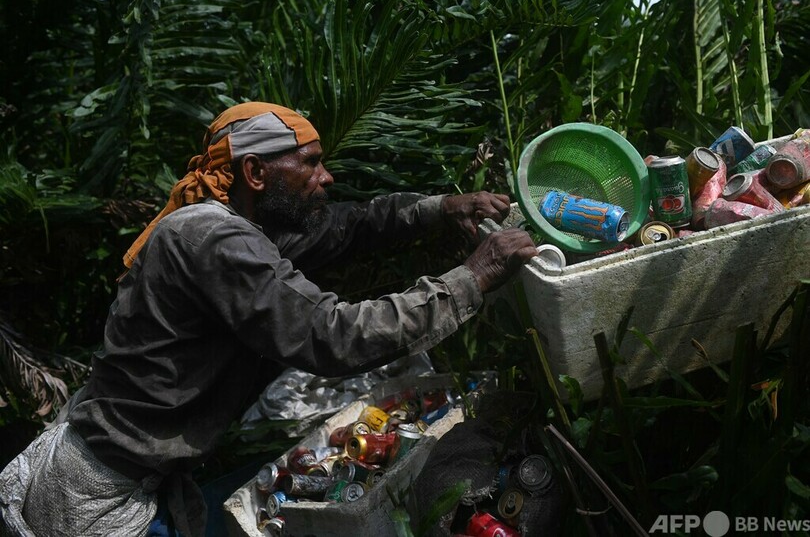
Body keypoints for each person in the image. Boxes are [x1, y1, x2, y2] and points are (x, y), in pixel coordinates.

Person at [0, 102, 537, 536]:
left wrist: (441, 206)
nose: (325, 177)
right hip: (102, 491)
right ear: (255, 172)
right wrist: (475, 276)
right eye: (309, 162)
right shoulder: (215, 239)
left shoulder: (240, 224)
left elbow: (349, 226)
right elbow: (333, 336)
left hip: (129, 473)